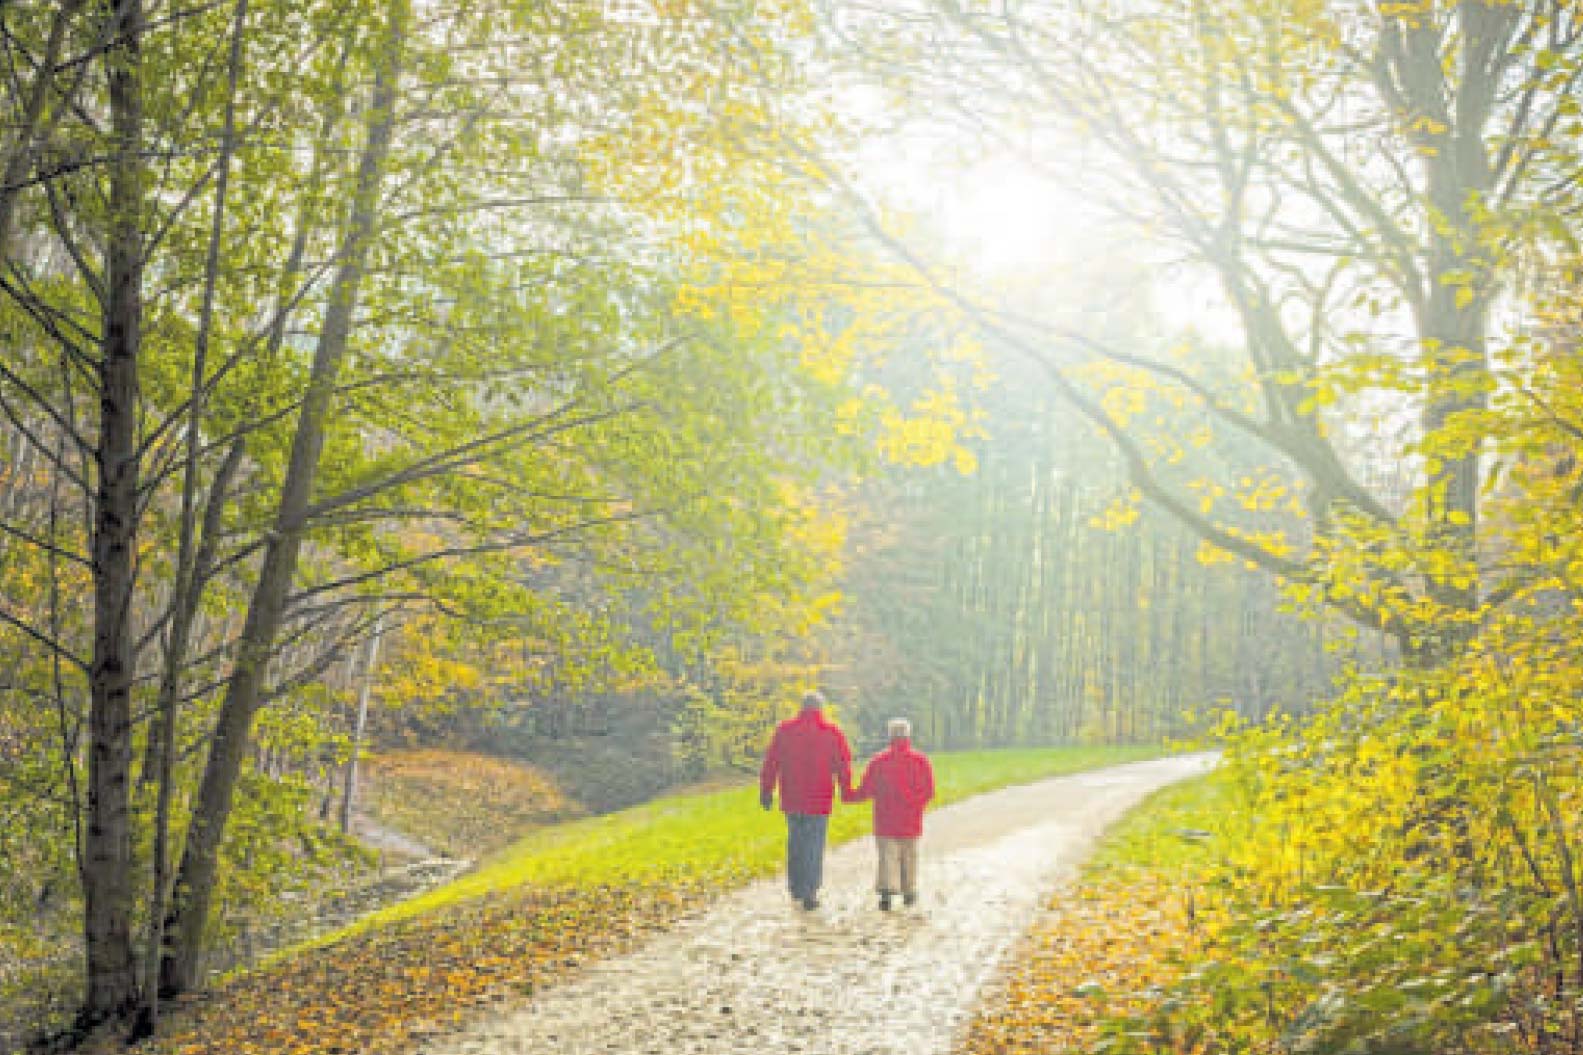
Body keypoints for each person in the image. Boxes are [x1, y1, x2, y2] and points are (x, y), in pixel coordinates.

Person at [759, 690, 854, 910]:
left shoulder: (785, 730)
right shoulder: (832, 732)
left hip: (792, 798)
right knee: (814, 845)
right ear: (821, 708)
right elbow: (843, 765)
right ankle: (810, 891)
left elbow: (771, 762)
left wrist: (766, 790)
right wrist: (846, 790)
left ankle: (796, 887)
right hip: (820, 799)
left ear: (801, 707)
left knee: (796, 843)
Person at [846, 717, 935, 911]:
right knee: (909, 855)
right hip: (911, 818)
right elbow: (929, 791)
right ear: (908, 735)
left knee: (887, 855)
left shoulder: (879, 761)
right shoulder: (920, 761)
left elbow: (867, 789)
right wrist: (915, 804)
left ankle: (887, 891)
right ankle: (909, 891)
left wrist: (848, 795)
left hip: (885, 818)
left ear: (890, 736)